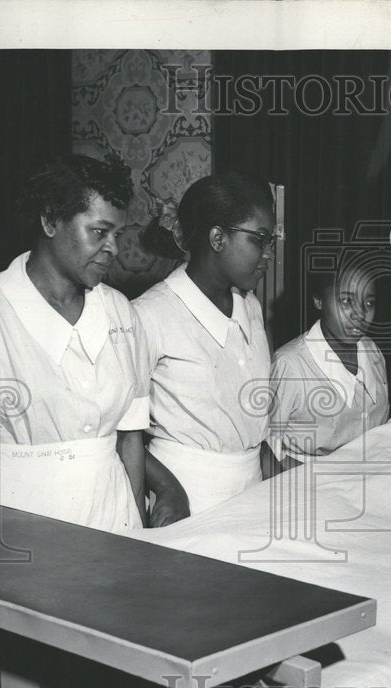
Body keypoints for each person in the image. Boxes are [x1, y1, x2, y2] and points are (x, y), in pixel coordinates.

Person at [0, 153, 148, 531]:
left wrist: (140, 536)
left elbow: (130, 438)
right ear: (50, 220)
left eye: (118, 235)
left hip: (113, 516)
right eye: (99, 232)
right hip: (12, 519)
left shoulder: (121, 313)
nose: (113, 247)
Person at [134, 172, 275, 525]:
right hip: (189, 495)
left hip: (253, 490)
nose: (268, 254)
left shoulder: (250, 306)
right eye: (260, 240)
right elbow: (120, 431)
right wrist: (168, 489)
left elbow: (252, 421)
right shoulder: (149, 315)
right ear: (217, 238)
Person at [267, 263, 389, 470]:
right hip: (309, 486)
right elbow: (268, 447)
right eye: (346, 301)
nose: (359, 314)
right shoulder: (291, 365)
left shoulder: (372, 351)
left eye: (368, 303)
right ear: (318, 300)